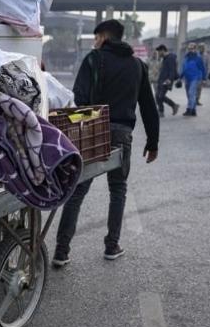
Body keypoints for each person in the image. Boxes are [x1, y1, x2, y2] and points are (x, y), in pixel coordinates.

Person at [53, 19, 159, 267]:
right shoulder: (138, 65)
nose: (95, 41)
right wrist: (153, 142)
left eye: (97, 37)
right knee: (118, 190)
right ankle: (112, 246)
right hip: (122, 132)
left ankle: (61, 251)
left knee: (77, 190)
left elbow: (78, 97)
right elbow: (148, 106)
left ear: (104, 37)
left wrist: (76, 130)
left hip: (93, 130)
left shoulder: (94, 59)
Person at [179, 43, 206, 116]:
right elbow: (184, 68)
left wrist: (204, 78)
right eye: (189, 48)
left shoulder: (198, 58)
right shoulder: (186, 57)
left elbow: (203, 68)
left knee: (191, 93)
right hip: (187, 78)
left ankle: (189, 109)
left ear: (195, 49)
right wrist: (180, 77)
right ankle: (193, 110)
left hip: (195, 78)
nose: (190, 50)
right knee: (189, 95)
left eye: (192, 48)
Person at [154, 44, 180, 117]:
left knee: (161, 96)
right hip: (161, 80)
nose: (158, 53)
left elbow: (172, 70)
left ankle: (174, 105)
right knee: (157, 96)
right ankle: (161, 111)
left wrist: (169, 80)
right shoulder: (165, 58)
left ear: (162, 50)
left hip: (166, 80)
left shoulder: (171, 58)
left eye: (159, 52)